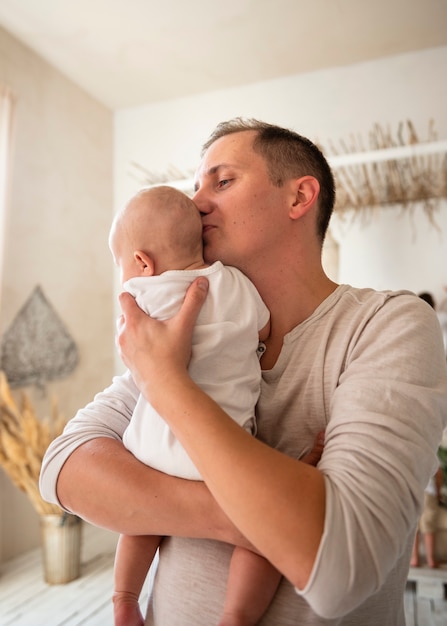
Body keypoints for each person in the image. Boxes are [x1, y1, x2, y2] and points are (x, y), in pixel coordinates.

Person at [40, 118, 447, 625]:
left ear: (299, 197)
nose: (198, 202)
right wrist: (253, 516)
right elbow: (63, 469)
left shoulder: (388, 324)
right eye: (195, 187)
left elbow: (340, 565)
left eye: (223, 181)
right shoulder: (179, 327)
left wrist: (166, 382)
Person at [108, 185, 284, 626]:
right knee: (259, 537)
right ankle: (238, 615)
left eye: (123, 265)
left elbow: (130, 347)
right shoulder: (238, 284)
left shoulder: (141, 297)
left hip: (154, 448)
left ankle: (125, 599)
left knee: (141, 519)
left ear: (143, 263)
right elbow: (263, 330)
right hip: (223, 451)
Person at [411, 463, 444, 568]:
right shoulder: (431, 450)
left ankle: (414, 559)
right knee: (428, 526)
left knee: (414, 527)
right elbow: (438, 473)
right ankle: (431, 560)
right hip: (428, 492)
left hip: (413, 492)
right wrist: (438, 493)